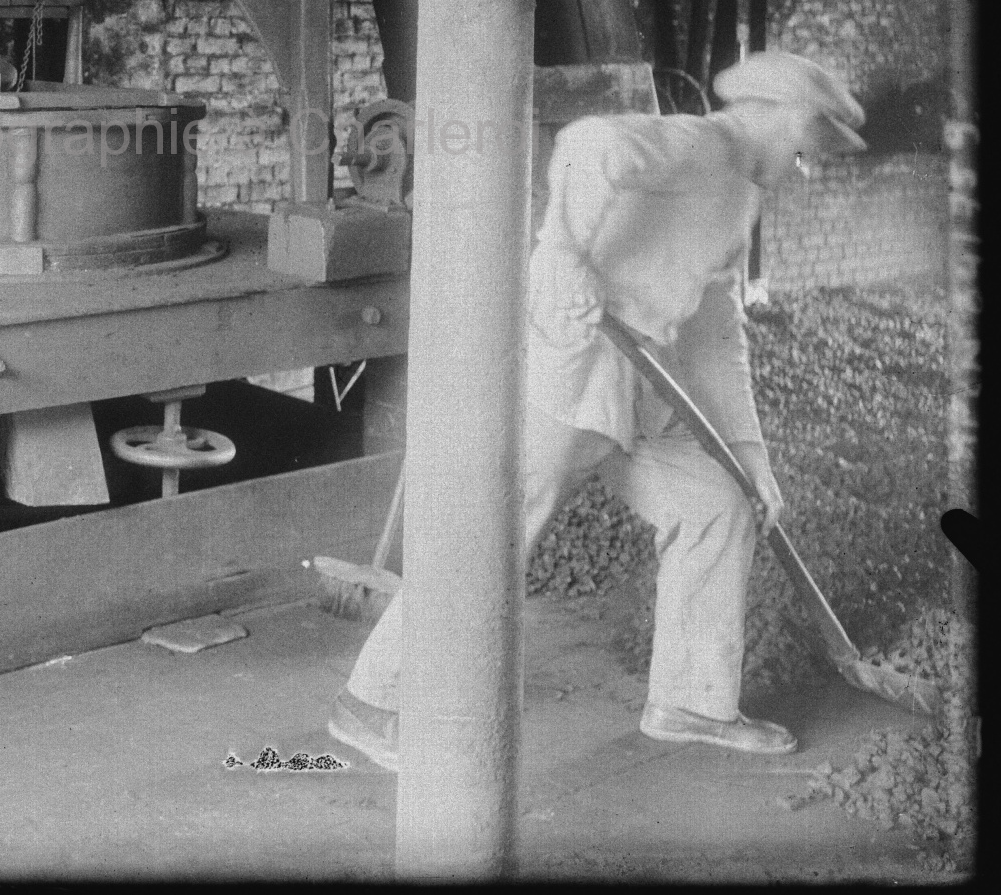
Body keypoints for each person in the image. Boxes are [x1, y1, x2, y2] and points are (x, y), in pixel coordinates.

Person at [327, 50, 868, 770]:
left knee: (720, 503)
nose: (807, 163)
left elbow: (715, 335)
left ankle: (691, 699)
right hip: (575, 365)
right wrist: (567, 256)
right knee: (496, 525)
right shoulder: (697, 145)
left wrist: (753, 460)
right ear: (783, 117)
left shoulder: (739, 194)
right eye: (809, 142)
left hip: (646, 386)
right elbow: (585, 146)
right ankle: (373, 701)